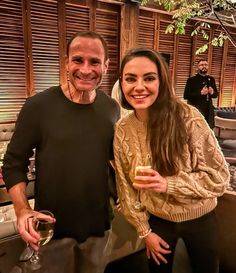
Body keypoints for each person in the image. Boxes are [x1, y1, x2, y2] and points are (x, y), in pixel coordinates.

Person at [3, 31, 120, 273]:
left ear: (106, 66)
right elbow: (14, 163)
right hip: (52, 230)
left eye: (94, 62)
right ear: (66, 62)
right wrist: (23, 209)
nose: (86, 70)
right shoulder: (38, 106)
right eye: (78, 60)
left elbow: (113, 160)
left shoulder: (111, 108)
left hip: (100, 228)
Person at [113, 47, 230, 273]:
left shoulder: (188, 117)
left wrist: (168, 184)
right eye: (130, 79)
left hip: (201, 219)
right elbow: (125, 188)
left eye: (149, 78)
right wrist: (144, 231)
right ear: (122, 84)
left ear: (162, 81)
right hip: (157, 222)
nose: (138, 87)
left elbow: (219, 178)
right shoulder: (122, 129)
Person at [184, 59, 218, 128]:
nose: (204, 66)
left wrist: (212, 92)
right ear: (198, 67)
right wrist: (200, 93)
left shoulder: (211, 79)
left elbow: (216, 95)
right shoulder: (191, 80)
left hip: (208, 110)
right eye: (202, 65)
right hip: (196, 110)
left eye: (206, 65)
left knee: (209, 130)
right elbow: (186, 95)